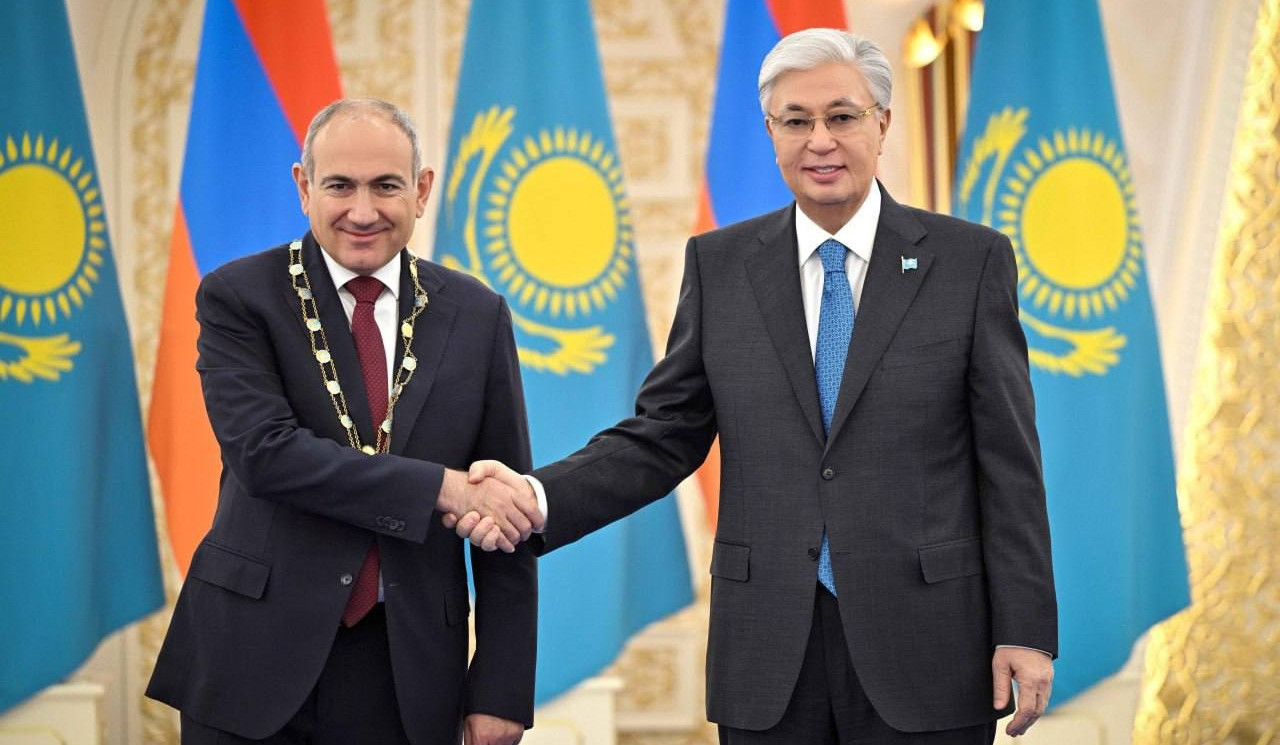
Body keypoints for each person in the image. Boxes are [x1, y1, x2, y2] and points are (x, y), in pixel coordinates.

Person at [454, 29, 1057, 744]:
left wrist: (1025, 627)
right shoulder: (720, 265)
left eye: (842, 116)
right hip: (769, 651)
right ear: (771, 133)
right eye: (796, 121)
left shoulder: (968, 261)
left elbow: (1008, 462)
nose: (820, 140)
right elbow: (664, 434)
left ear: (882, 123)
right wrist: (537, 496)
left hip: (929, 643)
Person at [146, 98, 545, 745]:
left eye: (386, 186)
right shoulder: (239, 296)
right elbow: (266, 454)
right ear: (304, 186)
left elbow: (503, 506)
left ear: (421, 190)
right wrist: (442, 488)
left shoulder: (477, 313)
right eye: (339, 186)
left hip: (408, 665)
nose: (362, 211)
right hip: (251, 655)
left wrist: (502, 687)